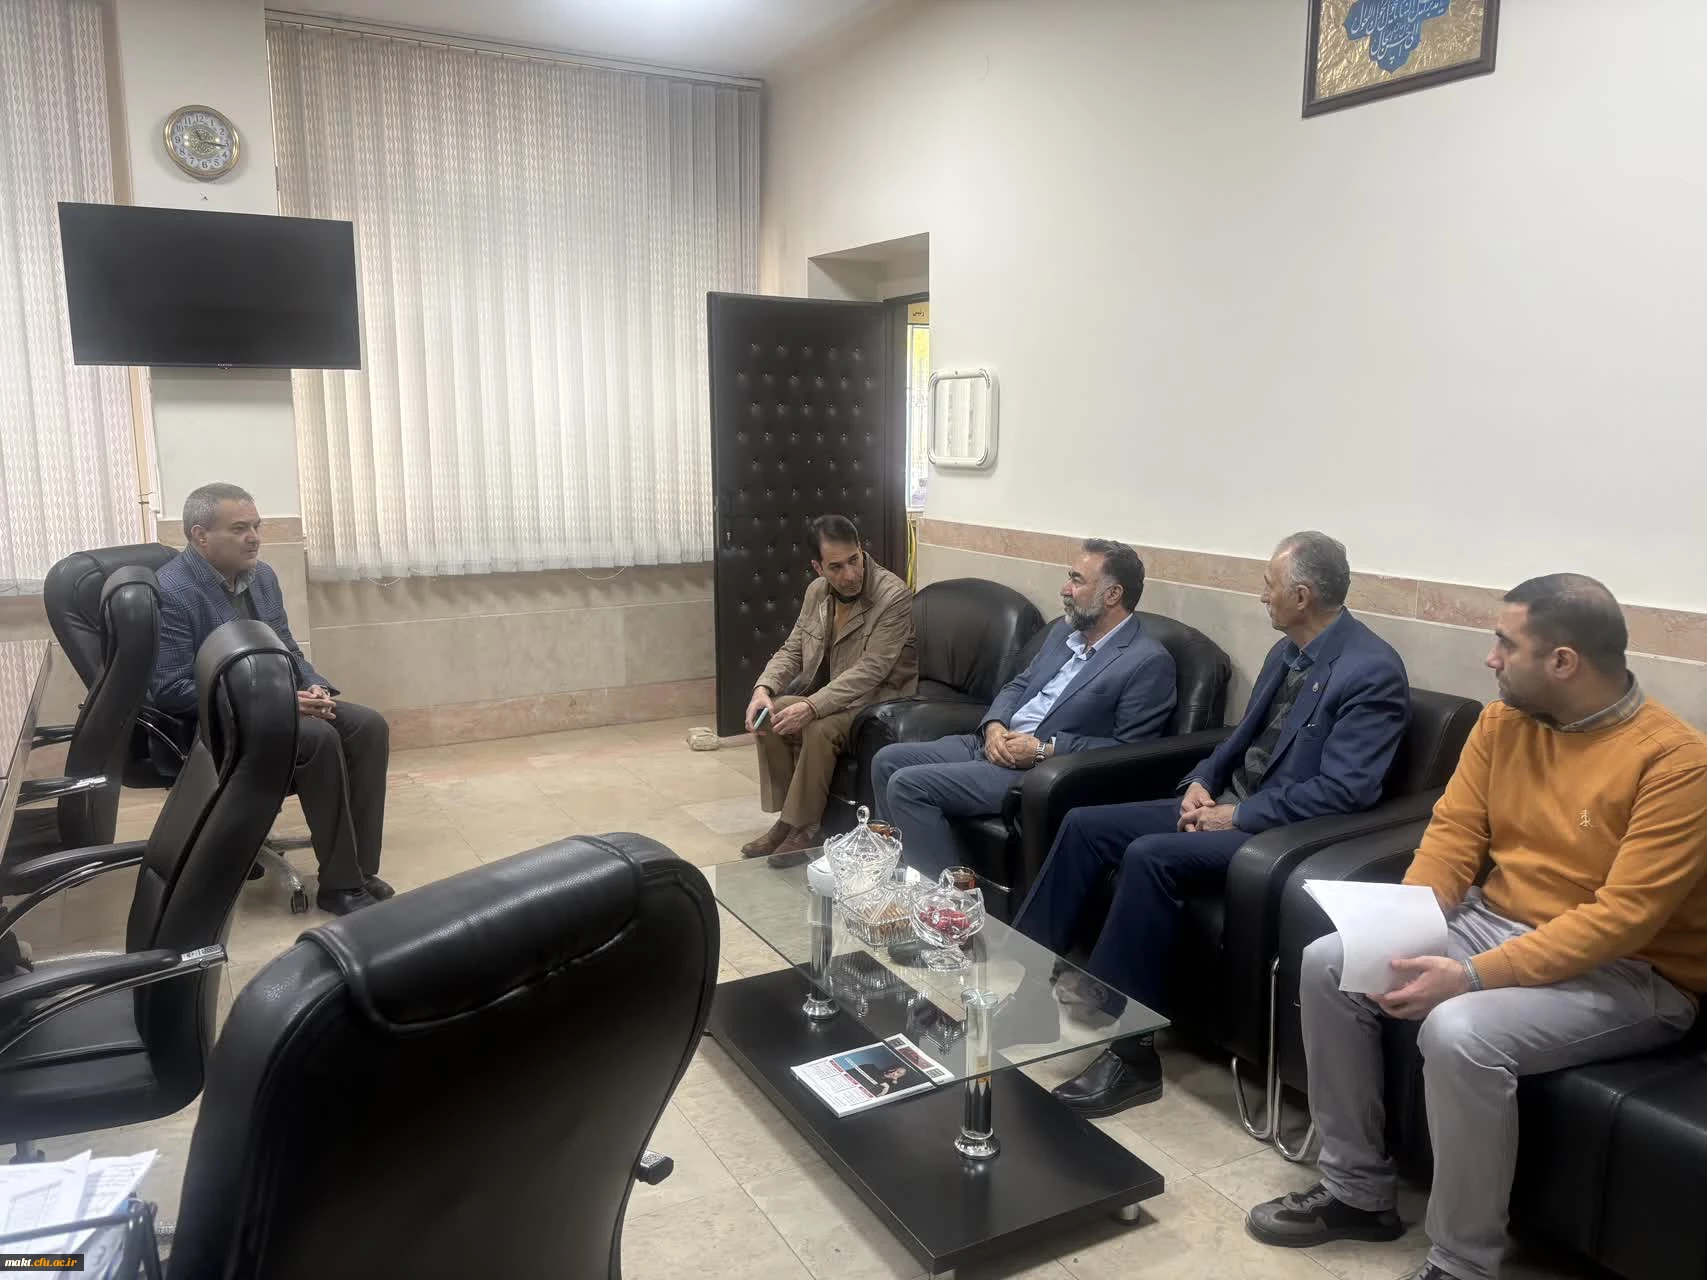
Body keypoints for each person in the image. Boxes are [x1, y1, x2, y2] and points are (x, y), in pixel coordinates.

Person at [1247, 574, 1707, 1280]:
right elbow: (1454, 835)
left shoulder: (1676, 763)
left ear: (1562, 661)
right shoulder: (1503, 723)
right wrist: (1402, 925)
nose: (1490, 658)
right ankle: (1356, 1192)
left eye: (1504, 643)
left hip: (1631, 972)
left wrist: (1469, 977)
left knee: (1459, 1031)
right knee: (1330, 962)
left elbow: (1623, 919)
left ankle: (1463, 1262)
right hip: (1493, 922)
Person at [1014, 531, 1410, 1114]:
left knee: (1149, 856)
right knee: (1084, 826)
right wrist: (1201, 781)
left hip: (1274, 832)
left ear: (1302, 596)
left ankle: (1133, 1059)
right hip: (1226, 803)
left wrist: (1237, 814)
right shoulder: (1287, 652)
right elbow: (1239, 740)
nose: (1262, 595)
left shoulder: (1371, 671)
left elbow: (1345, 791)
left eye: (1270, 586)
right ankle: (1020, 985)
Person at [153, 483, 391, 916]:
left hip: (280, 706)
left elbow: (287, 648)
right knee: (317, 738)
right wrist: (277, 705)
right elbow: (171, 687)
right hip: (216, 726)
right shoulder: (172, 590)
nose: (254, 538)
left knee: (367, 726)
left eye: (256, 526)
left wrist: (314, 687)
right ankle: (340, 886)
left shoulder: (261, 577)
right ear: (200, 535)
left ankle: (359, 871)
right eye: (239, 528)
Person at [872, 540, 1177, 878]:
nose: (1065, 589)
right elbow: (1018, 685)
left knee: (908, 785)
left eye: (1077, 580)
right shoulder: (1065, 632)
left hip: (1033, 772)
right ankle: (900, 880)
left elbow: (1130, 752)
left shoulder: (1147, 661)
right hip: (992, 743)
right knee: (886, 760)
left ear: (1113, 594)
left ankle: (948, 901)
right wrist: (994, 725)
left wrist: (1044, 750)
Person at [741, 515, 917, 866]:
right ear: (817, 567)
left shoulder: (893, 595)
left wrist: (811, 706)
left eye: (854, 560)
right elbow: (793, 648)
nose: (850, 574)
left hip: (879, 701)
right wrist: (763, 688)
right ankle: (787, 820)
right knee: (772, 714)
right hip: (833, 694)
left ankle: (806, 829)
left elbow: (871, 671)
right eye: (836, 567)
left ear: (861, 550)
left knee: (818, 726)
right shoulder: (817, 592)